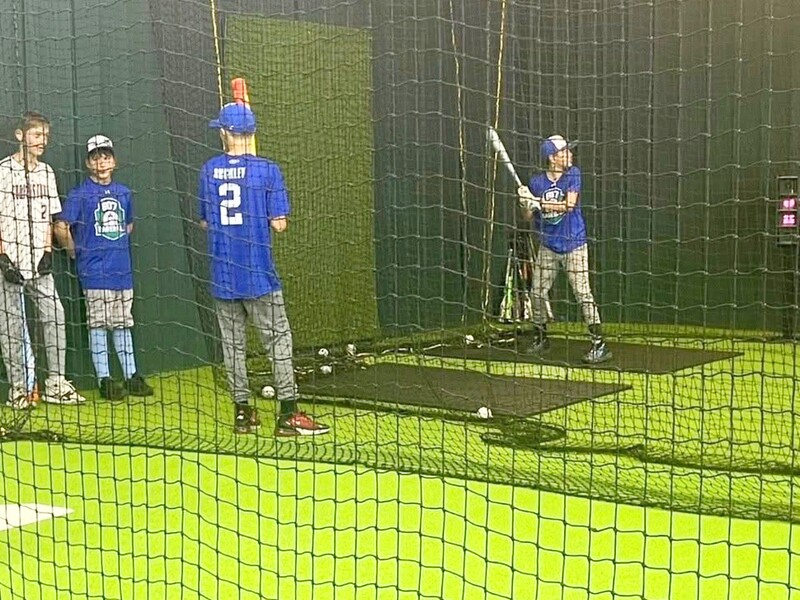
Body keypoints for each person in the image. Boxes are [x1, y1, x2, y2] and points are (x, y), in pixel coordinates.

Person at [198, 102, 329, 436]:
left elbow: (203, 221)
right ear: (252, 132)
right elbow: (280, 224)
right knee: (279, 342)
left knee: (233, 347)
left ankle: (243, 414)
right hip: (258, 274)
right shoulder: (267, 170)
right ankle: (287, 415)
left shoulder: (209, 170)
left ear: (225, 133)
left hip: (223, 276)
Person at [55, 135, 154, 400]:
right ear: (89, 163)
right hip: (95, 272)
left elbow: (129, 225)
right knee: (98, 324)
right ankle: (105, 380)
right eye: (96, 157)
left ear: (114, 160)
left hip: (122, 271)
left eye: (106, 156)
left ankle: (131, 376)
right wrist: (74, 250)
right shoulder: (80, 194)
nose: (102, 161)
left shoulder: (124, 192)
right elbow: (61, 226)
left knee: (123, 322)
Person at [0, 111, 86, 408]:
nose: (42, 142)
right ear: (20, 135)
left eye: (46, 136)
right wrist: (3, 257)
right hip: (10, 263)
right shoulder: (3, 171)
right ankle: (19, 391)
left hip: (40, 263)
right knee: (11, 327)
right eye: (37, 135)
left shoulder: (46, 172)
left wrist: (48, 251)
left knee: (55, 316)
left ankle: (55, 384)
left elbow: (49, 218)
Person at [517, 134, 612, 364]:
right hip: (548, 246)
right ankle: (541, 337)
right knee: (537, 293)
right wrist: (526, 202)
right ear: (552, 158)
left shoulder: (573, 175)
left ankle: (599, 344)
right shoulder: (537, 182)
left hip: (574, 244)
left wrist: (539, 202)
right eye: (564, 152)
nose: (570, 155)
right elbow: (528, 217)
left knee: (582, 293)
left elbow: (569, 205)